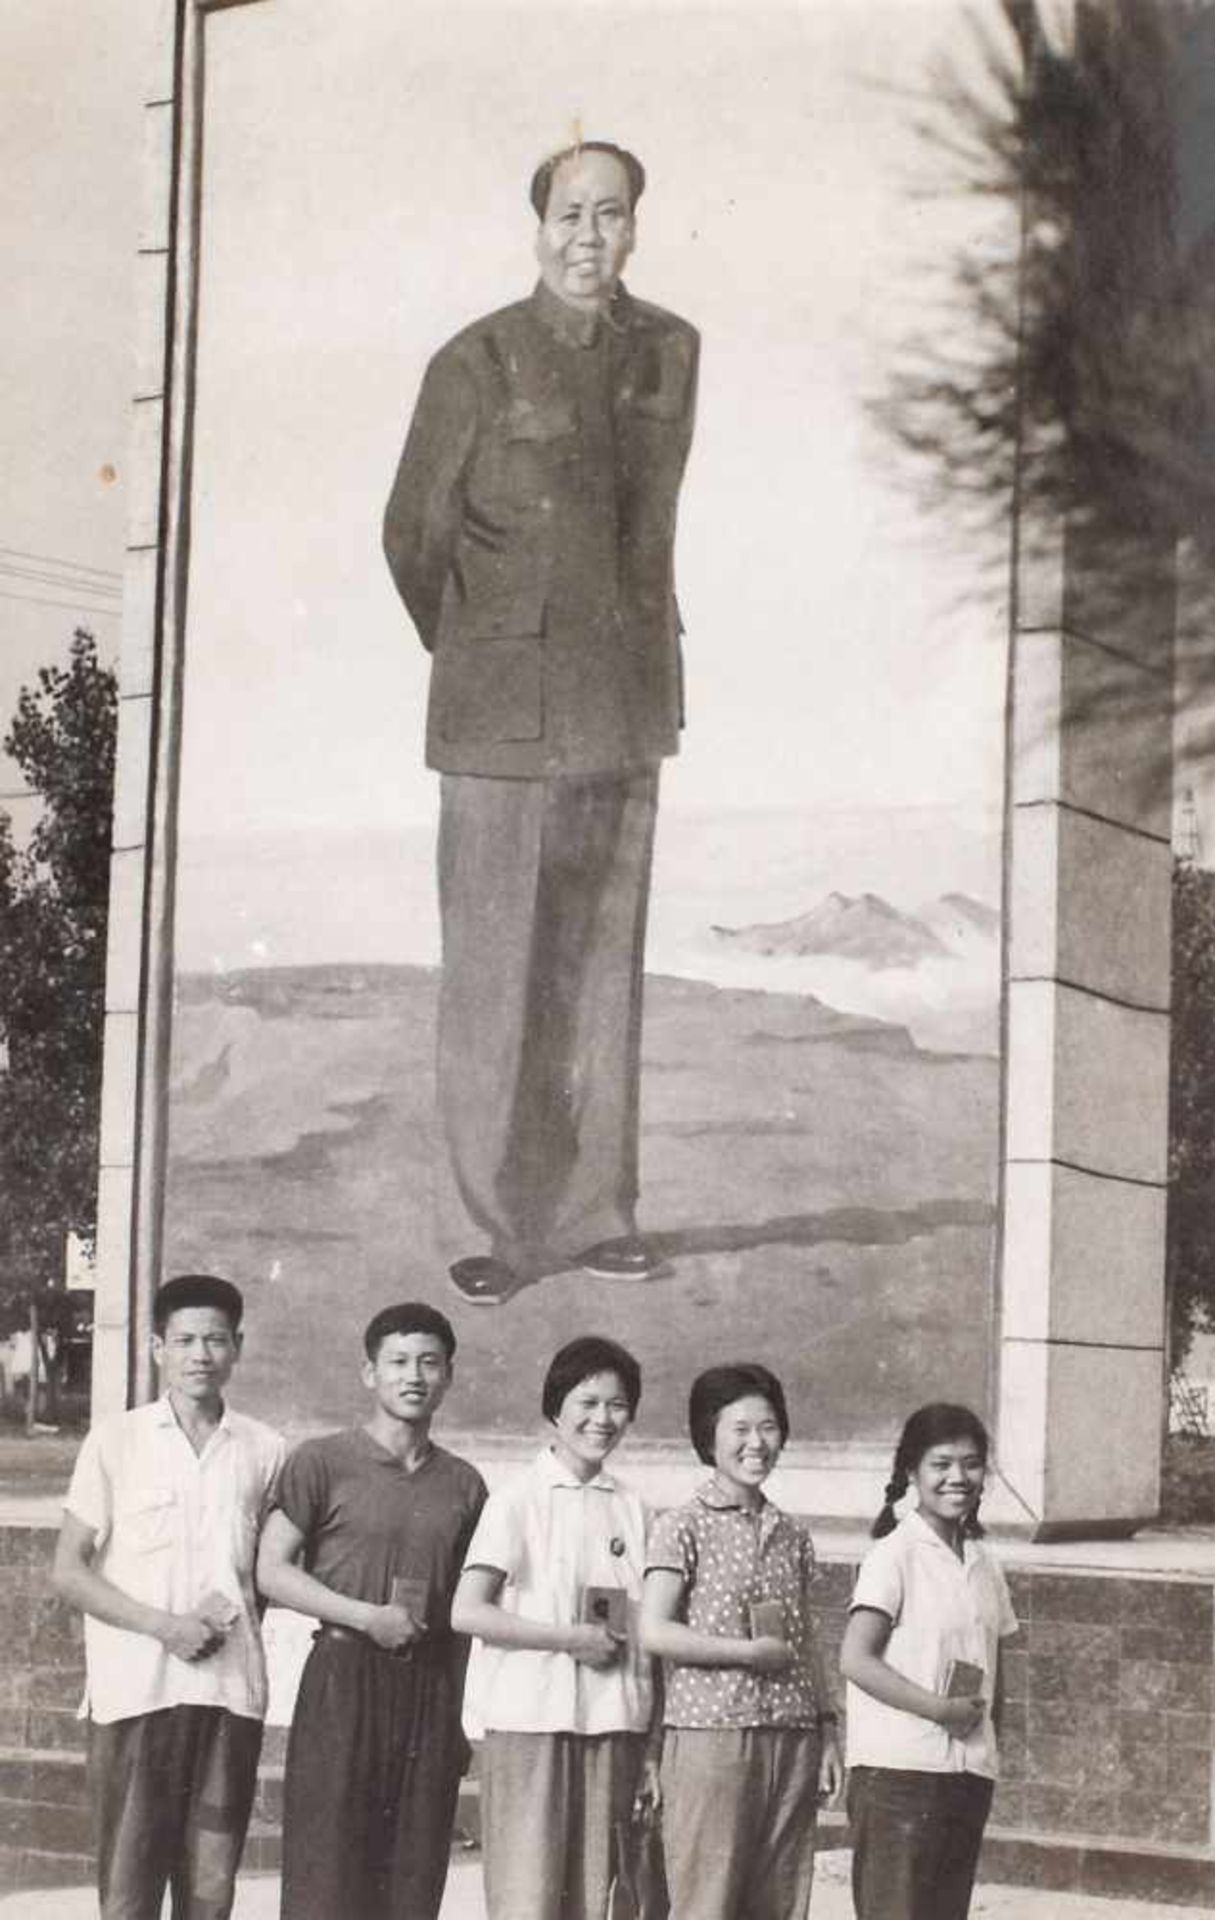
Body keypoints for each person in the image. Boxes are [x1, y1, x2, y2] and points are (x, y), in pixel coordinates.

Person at [382, 138, 700, 1306]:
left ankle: (594, 1212)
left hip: (622, 707)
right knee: (491, 977)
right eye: (570, 214)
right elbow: (412, 537)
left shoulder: (671, 352)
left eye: (610, 215)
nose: (589, 237)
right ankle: (487, 1226)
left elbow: (651, 527)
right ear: (537, 228)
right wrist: (483, 653)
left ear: (634, 229)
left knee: (599, 969)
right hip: (499, 722)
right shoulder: (473, 362)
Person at [52, 1273, 286, 1920]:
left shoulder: (265, 1450)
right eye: (183, 1340)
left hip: (227, 1694)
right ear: (158, 1348)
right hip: (136, 1694)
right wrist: (165, 1626)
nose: (200, 1355)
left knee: (210, 1891)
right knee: (128, 1893)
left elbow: (269, 1574)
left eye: (215, 1340)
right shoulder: (116, 1440)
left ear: (237, 1346)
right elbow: (69, 1571)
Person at [256, 1301, 485, 1920]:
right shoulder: (321, 1461)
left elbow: (466, 1614)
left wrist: (460, 1716)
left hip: (430, 1689)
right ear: (369, 1373)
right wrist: (364, 1616)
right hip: (343, 1675)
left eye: (429, 1363)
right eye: (399, 1362)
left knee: (413, 1879)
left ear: (448, 1376)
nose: (414, 1376)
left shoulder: (464, 1484)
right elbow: (272, 1570)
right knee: (326, 1873)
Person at [450, 1335, 654, 1920]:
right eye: (587, 1402)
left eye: (616, 1405)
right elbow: (468, 1611)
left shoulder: (634, 1509)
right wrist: (571, 1639)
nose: (602, 1419)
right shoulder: (517, 1499)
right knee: (528, 1900)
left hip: (612, 1724)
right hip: (529, 1720)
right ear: (555, 1408)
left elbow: (641, 1627)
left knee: (598, 1899)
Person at [641, 1363, 843, 1920]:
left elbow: (810, 1640)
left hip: (793, 1738)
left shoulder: (792, 1534)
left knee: (780, 1903)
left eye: (769, 1427)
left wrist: (827, 1734)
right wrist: (744, 1654)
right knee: (707, 1902)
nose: (757, 1443)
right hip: (712, 1738)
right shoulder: (681, 1525)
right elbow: (653, 1629)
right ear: (708, 1435)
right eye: (740, 1428)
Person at [839, 1402, 1019, 1920]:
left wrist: (987, 1749)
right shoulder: (893, 1556)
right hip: (899, 1777)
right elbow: (855, 1658)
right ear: (912, 1472)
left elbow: (996, 1672)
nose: (957, 1477)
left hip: (966, 1776)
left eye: (971, 1463)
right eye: (941, 1464)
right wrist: (938, 1710)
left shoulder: (986, 1564)